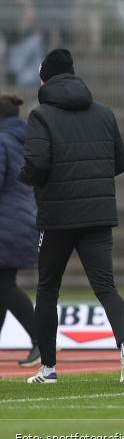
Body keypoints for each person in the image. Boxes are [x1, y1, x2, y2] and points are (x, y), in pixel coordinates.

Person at [18, 49, 124, 384]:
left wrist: (26, 178)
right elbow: (120, 162)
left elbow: (37, 164)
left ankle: (49, 368)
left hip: (57, 216)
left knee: (47, 290)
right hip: (98, 215)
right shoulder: (104, 113)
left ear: (46, 78)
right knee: (106, 288)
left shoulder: (40, 116)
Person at [0, 94, 40, 367]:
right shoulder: (27, 140)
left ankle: (41, 338)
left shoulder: (1, 141)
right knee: (2, 284)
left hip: (5, 222)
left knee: (4, 285)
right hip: (22, 219)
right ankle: (41, 339)